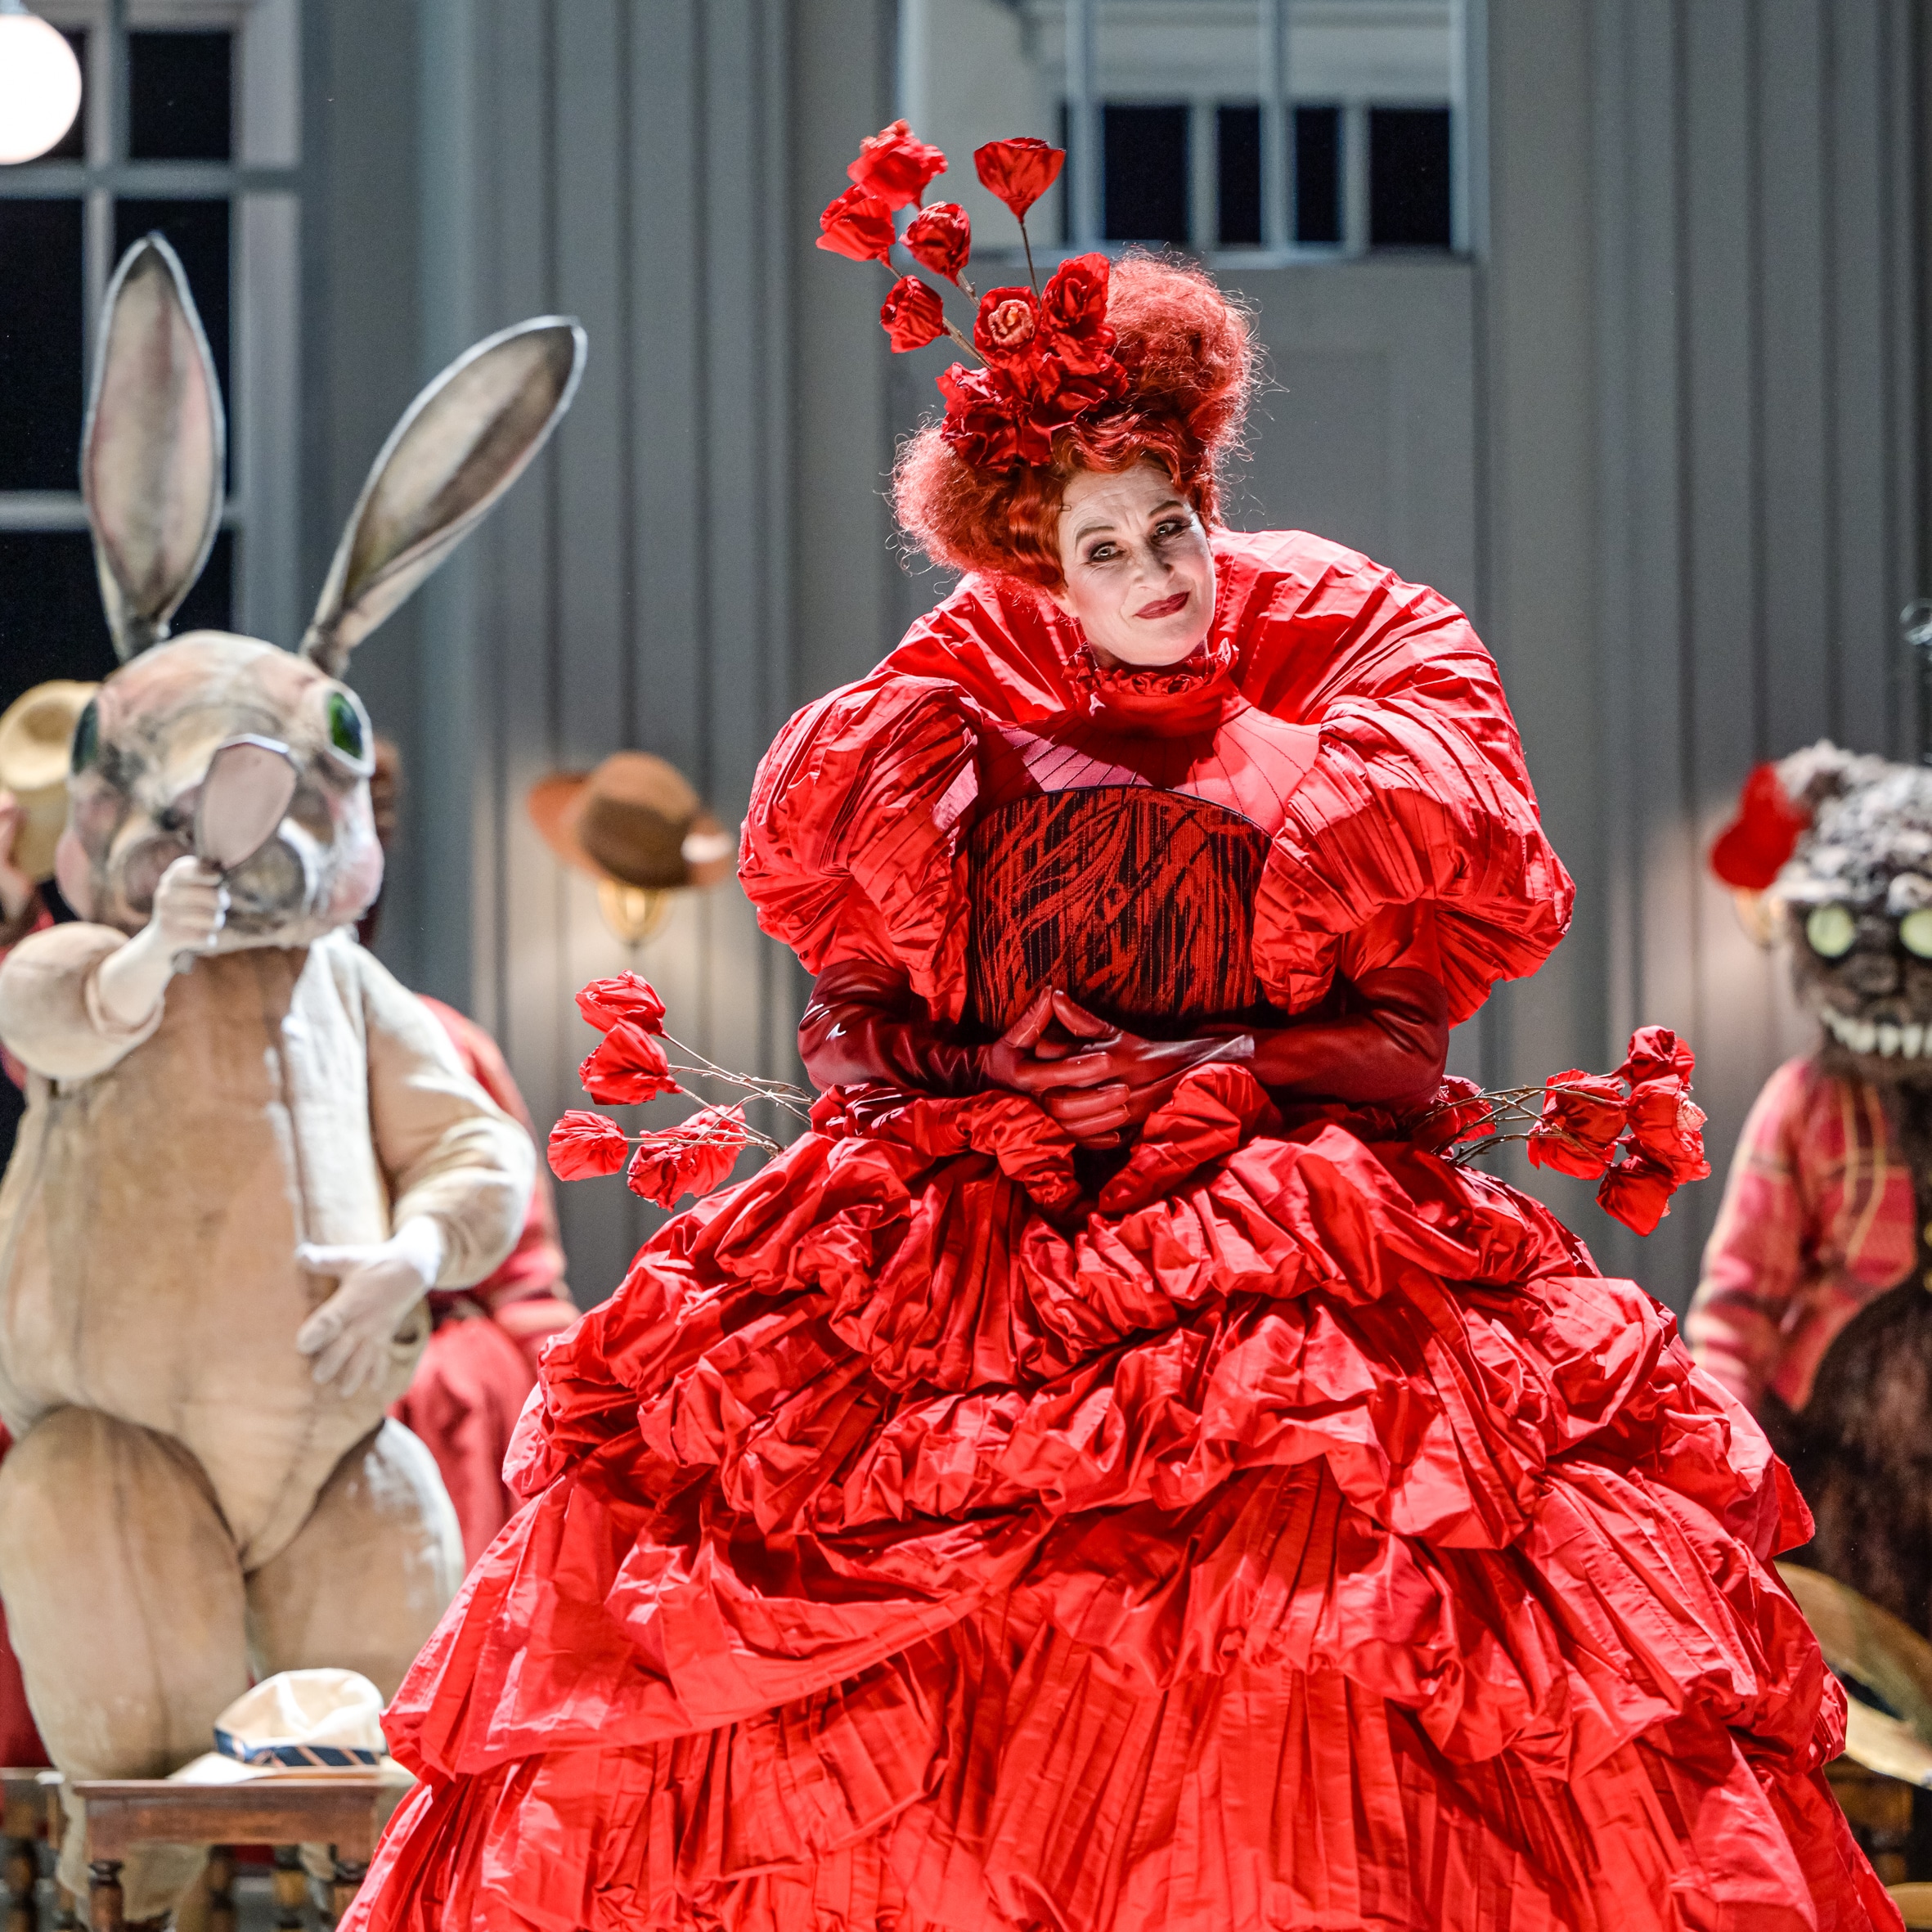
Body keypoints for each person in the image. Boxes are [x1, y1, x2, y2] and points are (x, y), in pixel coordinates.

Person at [344, 245, 1894, 1931]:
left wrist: (1213, 1061)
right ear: (1044, 568)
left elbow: (1402, 1042)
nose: (1155, 570)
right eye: (1104, 547)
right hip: (983, 1224)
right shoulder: (940, 724)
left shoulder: (1353, 692)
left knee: (1330, 1629)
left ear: (1203, 508)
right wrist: (980, 1068)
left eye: (1170, 528)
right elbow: (847, 1028)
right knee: (897, 1637)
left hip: (1287, 1220)